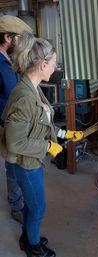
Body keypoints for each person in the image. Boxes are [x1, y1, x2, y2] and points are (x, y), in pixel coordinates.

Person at [0, 31, 83, 256]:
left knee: (30, 203)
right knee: (38, 207)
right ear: (43, 65)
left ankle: (27, 237)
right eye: (54, 64)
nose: (55, 69)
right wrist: (47, 147)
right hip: (25, 163)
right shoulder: (25, 96)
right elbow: (15, 142)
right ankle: (34, 248)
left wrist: (66, 134)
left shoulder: (33, 88)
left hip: (30, 159)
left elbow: (41, 123)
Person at [0, 15, 33, 223]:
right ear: (7, 37)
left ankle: (19, 198)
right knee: (12, 166)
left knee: (18, 163)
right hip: (7, 125)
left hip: (15, 123)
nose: (20, 42)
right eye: (19, 38)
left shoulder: (8, 60)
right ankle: (15, 205)